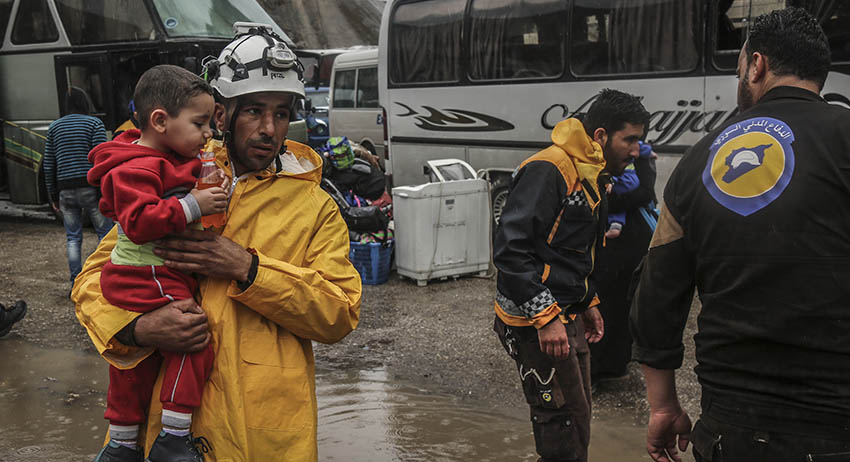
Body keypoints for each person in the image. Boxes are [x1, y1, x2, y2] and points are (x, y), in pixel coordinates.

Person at [73, 24, 361, 461]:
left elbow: (339, 312)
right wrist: (136, 328)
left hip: (263, 436)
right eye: (254, 111)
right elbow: (95, 278)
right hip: (166, 436)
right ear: (222, 115)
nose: (269, 128)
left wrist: (248, 269)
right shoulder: (169, 179)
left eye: (282, 113)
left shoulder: (314, 207)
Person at [630, 8, 850, 462]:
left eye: (738, 69)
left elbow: (656, 295)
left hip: (729, 429)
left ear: (757, 66)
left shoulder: (697, 160)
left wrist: (663, 405)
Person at [493, 88, 650, 462]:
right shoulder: (550, 169)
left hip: (568, 313)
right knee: (559, 425)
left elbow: (573, 251)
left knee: (578, 418)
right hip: (534, 322)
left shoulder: (592, 171)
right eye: (630, 140)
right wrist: (545, 318)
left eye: (639, 141)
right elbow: (510, 251)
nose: (636, 151)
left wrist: (588, 300)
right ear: (601, 136)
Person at [86, 64, 227, 462]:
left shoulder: (159, 155)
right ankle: (173, 439)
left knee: (135, 360)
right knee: (195, 341)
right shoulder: (137, 166)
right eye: (199, 123)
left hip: (142, 272)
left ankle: (122, 445)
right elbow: (139, 222)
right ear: (161, 121)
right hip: (147, 271)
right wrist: (193, 204)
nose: (209, 134)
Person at [589, 140, 657, 389]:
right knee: (613, 307)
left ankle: (609, 366)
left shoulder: (633, 160)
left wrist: (615, 199)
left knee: (616, 307)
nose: (633, 149)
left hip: (624, 251)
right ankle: (606, 366)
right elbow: (643, 194)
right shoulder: (606, 162)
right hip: (615, 250)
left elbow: (645, 194)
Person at [43, 86, 114, 290]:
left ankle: (75, 283)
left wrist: (53, 195)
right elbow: (102, 159)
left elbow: (49, 164)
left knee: (73, 238)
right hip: (91, 188)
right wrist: (105, 191)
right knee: (105, 236)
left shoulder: (55, 127)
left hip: (65, 190)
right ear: (85, 102)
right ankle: (105, 282)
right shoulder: (94, 123)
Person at [604, 140, 656, 239]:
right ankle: (616, 226)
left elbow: (646, 194)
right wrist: (650, 153)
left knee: (617, 206)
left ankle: (616, 225)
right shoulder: (635, 146)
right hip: (631, 182)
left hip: (620, 182)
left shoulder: (615, 146)